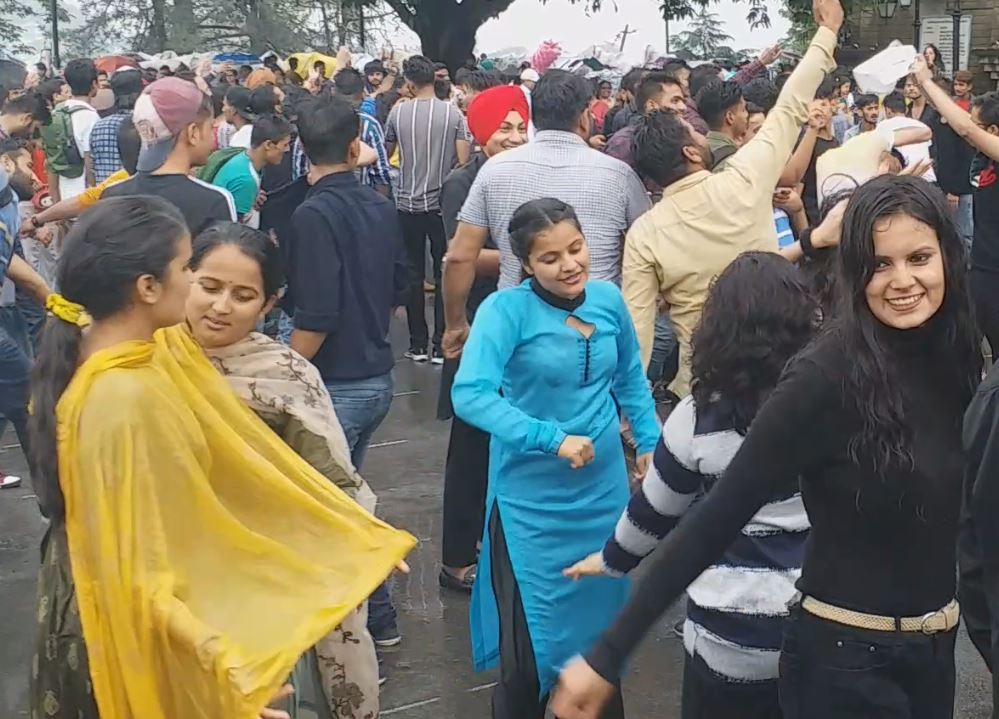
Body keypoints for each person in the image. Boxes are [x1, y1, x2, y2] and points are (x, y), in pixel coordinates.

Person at [554, 173, 980, 719]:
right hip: (843, 662)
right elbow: (717, 517)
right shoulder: (824, 376)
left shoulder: (958, 353)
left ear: (947, 256)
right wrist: (607, 655)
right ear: (854, 272)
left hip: (934, 650)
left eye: (919, 258)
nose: (902, 280)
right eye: (879, 264)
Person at [28, 196, 414, 719]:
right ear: (147, 288)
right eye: (195, 274)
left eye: (243, 294)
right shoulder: (134, 385)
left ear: (268, 304)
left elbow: (284, 471)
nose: (213, 300)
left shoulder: (152, 359)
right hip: (169, 611)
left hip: (218, 592)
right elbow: (138, 565)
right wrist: (217, 666)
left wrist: (345, 535)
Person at [564, 252, 817, 719]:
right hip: (817, 631)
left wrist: (610, 560)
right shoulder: (826, 404)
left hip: (727, 641)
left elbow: (653, 513)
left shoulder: (697, 418)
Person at [451, 198, 659, 719]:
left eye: (576, 248)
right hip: (531, 503)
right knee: (528, 655)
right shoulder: (506, 311)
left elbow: (631, 377)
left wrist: (651, 443)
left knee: (601, 640)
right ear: (526, 264)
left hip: (602, 495)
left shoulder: (608, 301)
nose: (569, 265)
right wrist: (550, 438)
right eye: (550, 258)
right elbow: (471, 395)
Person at [185, 224, 382, 719]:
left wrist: (361, 538)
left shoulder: (285, 376)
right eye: (209, 287)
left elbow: (335, 480)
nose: (221, 306)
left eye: (243, 295)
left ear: (269, 305)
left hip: (270, 581)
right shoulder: (147, 361)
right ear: (182, 277)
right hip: (178, 582)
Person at [620, 0, 841, 399]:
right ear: (689, 152)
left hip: (702, 391)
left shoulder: (644, 234)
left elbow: (637, 333)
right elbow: (790, 106)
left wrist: (635, 418)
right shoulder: (744, 177)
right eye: (695, 132)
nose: (703, 135)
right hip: (780, 376)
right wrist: (826, 33)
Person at [284, 96, 409, 649]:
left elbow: (316, 316)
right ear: (357, 146)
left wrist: (283, 369)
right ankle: (373, 619)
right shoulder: (380, 205)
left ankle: (368, 624)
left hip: (336, 384)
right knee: (346, 500)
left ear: (300, 150)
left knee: (335, 511)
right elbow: (404, 286)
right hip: (377, 375)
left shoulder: (311, 215)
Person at [442, 69, 651, 359]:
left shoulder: (494, 170)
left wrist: (456, 325)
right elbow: (648, 250)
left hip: (518, 332)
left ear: (533, 118)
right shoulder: (618, 175)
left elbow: (459, 256)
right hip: (595, 331)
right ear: (584, 117)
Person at [437, 85, 529, 593]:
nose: (513, 138)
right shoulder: (464, 180)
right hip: (471, 319)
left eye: (520, 127)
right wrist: (528, 253)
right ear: (478, 132)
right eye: (503, 128)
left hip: (508, 318)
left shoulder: (516, 173)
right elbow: (459, 253)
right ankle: (455, 557)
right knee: (470, 442)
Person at [384, 55, 471, 364]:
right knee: (443, 270)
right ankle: (440, 343)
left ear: (409, 81)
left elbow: (389, 151)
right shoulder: (454, 116)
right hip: (440, 205)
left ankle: (417, 343)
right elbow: (462, 161)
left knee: (411, 274)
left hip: (406, 202)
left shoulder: (397, 114)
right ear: (435, 79)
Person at [910, 57, 999, 350]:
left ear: (994, 131)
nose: (970, 128)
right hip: (984, 270)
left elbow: (965, 129)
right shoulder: (984, 161)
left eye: (978, 125)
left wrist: (925, 81)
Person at [103, 77, 237, 234]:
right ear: (193, 133)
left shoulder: (111, 195)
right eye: (209, 127)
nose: (212, 136)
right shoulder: (214, 201)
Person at [604, 71, 686, 188]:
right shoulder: (624, 144)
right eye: (675, 101)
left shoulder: (682, 137)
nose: (683, 107)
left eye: (683, 101)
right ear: (651, 106)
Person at [210, 114, 292, 227]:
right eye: (285, 145)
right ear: (268, 145)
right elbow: (235, 231)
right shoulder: (246, 180)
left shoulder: (244, 161)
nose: (287, 150)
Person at [333, 67, 391, 195]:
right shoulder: (369, 125)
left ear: (333, 92)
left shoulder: (314, 121)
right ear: (361, 95)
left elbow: (300, 168)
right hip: (360, 200)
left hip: (320, 204)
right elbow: (381, 172)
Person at [50, 58, 99, 201]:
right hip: (83, 198)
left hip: (63, 197)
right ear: (94, 84)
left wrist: (55, 202)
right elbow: (90, 162)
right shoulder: (91, 117)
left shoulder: (55, 113)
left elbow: (50, 163)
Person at [88, 69, 141, 183]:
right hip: (138, 197)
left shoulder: (99, 126)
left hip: (105, 195)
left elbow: (91, 168)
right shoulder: (145, 125)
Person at [880, 90, 936, 182]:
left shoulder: (883, 126)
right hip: (928, 180)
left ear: (888, 110)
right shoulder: (921, 126)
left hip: (905, 181)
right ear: (906, 110)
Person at [696, 80, 749, 170]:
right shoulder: (734, 163)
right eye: (743, 109)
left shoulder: (698, 152)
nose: (747, 115)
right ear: (730, 117)